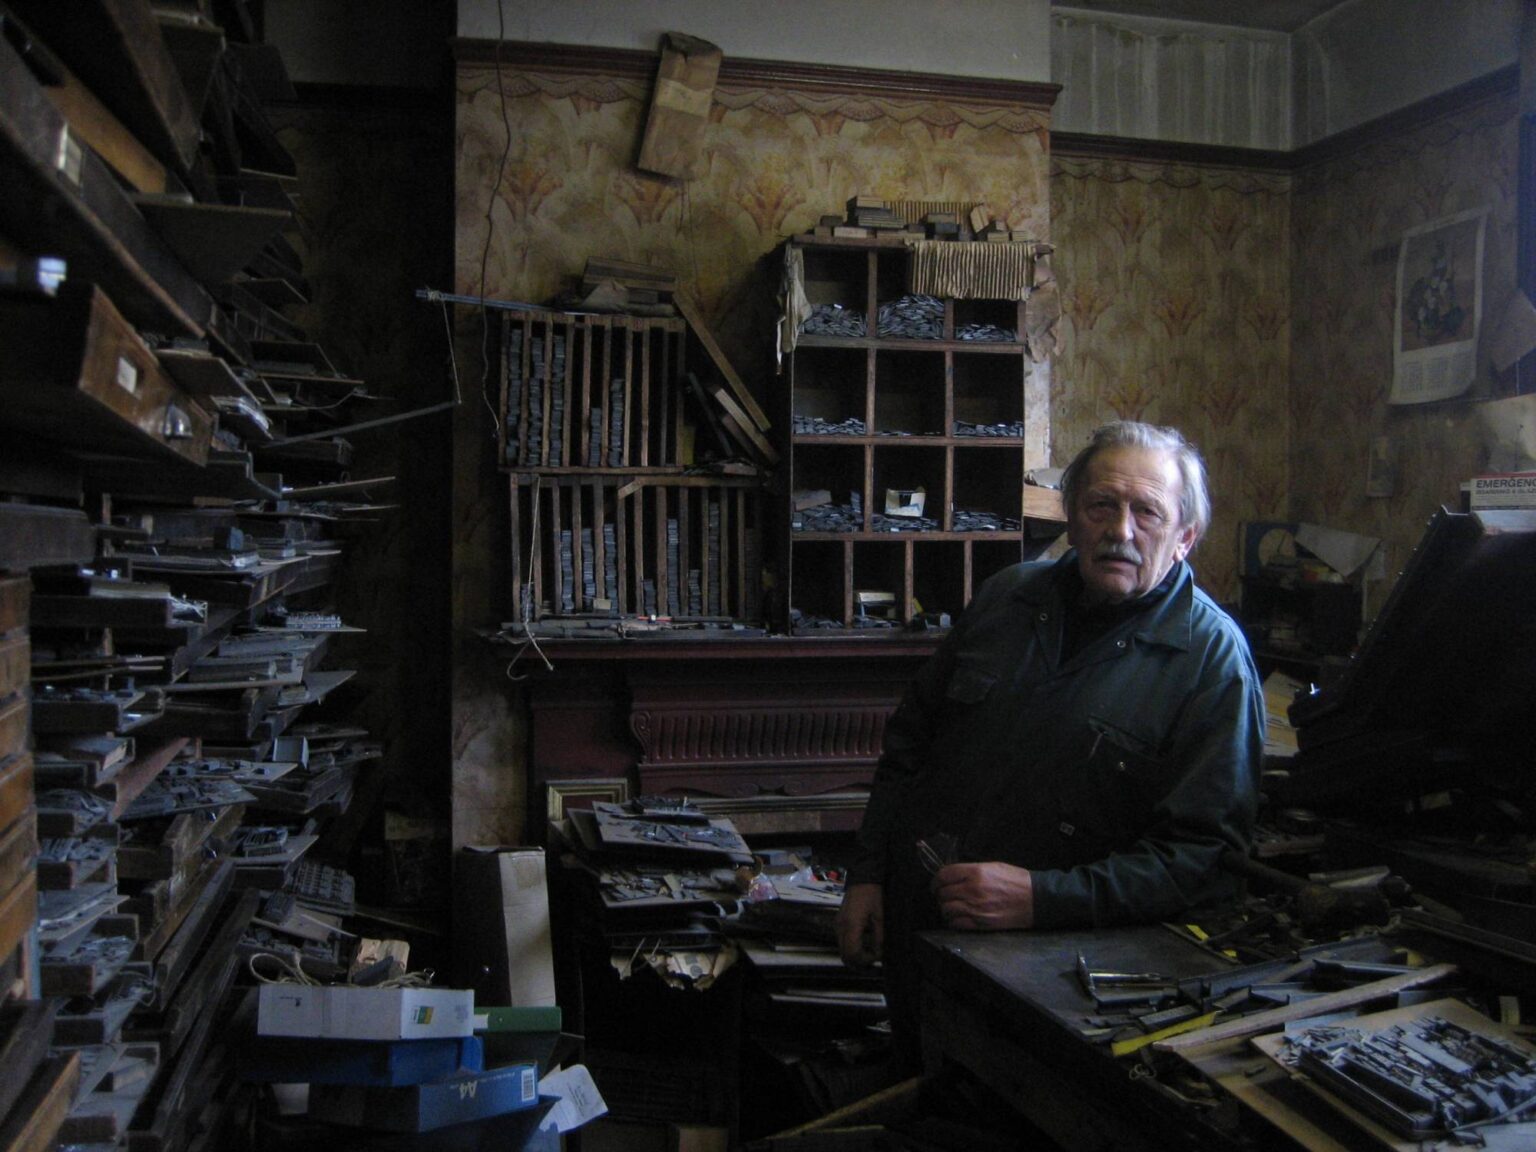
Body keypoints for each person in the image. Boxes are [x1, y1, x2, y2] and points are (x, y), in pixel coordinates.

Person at [836, 420, 1263, 1068]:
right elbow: (910, 743)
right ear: (1071, 515)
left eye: (1147, 512)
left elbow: (1204, 861)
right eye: (1101, 505)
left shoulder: (1212, 662)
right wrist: (868, 874)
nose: (1121, 531)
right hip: (920, 930)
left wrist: (1043, 898)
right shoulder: (1007, 598)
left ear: (1185, 536)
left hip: (1060, 979)